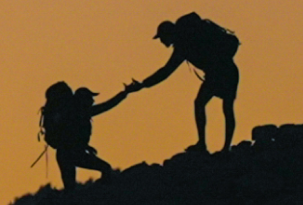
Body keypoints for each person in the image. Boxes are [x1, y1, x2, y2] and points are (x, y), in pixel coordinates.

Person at [127, 13, 240, 153]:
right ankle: (215, 146)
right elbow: (166, 71)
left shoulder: (183, 46)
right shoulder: (185, 44)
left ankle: (213, 146)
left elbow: (166, 71)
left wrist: (143, 84)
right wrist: (144, 84)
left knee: (212, 105)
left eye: (162, 38)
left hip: (222, 72)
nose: (162, 42)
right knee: (218, 106)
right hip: (224, 72)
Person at [39, 82, 133, 190]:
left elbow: (71, 136)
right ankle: (103, 195)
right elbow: (106, 106)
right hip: (71, 154)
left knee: (70, 188)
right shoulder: (79, 112)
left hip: (65, 154)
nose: (92, 101)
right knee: (104, 168)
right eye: (90, 98)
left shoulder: (74, 113)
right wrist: (125, 93)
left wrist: (85, 147)